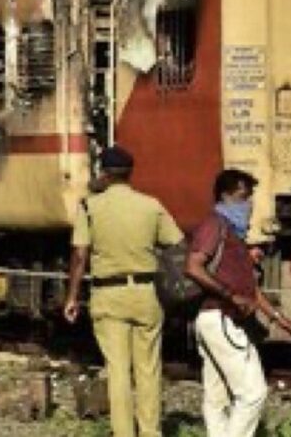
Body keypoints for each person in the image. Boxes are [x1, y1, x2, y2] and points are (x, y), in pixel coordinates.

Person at [64, 146, 184, 437]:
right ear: (130, 174)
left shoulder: (90, 207)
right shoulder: (151, 205)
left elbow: (80, 255)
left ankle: (123, 433)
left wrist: (72, 296)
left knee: (117, 370)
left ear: (103, 173)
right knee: (148, 370)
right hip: (146, 294)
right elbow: (176, 243)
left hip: (109, 294)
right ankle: (151, 432)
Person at [185, 169, 291, 437]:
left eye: (249, 198)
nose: (247, 205)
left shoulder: (233, 235)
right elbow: (193, 267)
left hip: (216, 319)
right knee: (253, 394)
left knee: (217, 398)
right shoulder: (215, 226)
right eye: (242, 197)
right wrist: (228, 295)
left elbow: (251, 291)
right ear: (224, 196)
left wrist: (277, 317)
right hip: (221, 318)